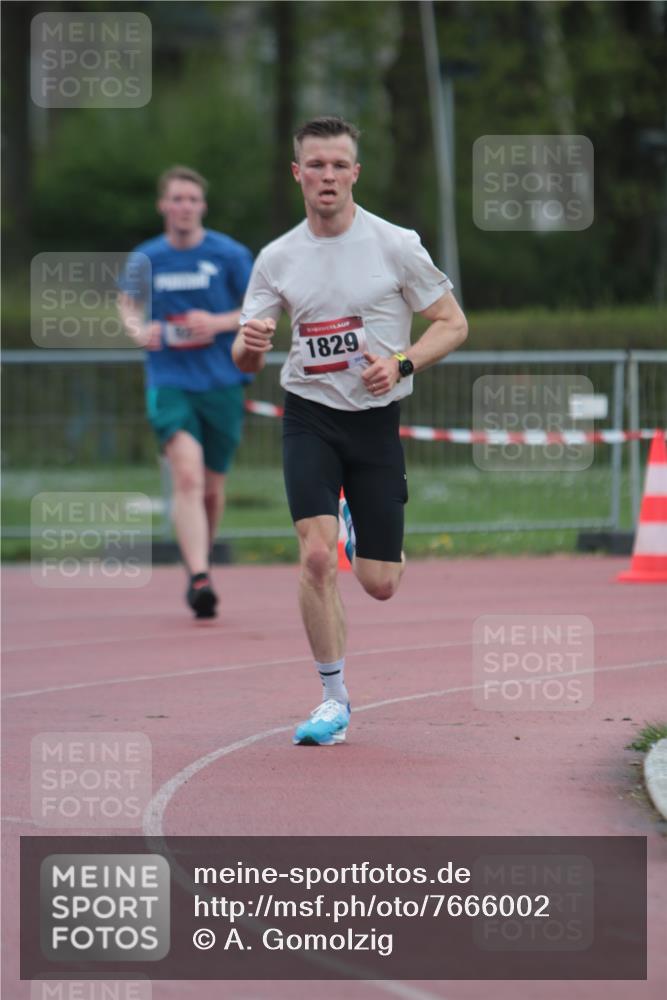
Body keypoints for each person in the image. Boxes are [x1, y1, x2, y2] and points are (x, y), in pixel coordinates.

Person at [233, 116, 468, 745]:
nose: (328, 176)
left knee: (379, 584)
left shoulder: (395, 243)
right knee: (315, 556)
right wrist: (251, 345)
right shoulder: (277, 257)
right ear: (298, 173)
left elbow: (452, 322)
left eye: (339, 164)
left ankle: (363, 525)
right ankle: (332, 700)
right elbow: (247, 357)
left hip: (373, 426)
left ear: (355, 172)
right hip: (308, 416)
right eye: (316, 165)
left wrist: (400, 364)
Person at [118, 166, 253, 618]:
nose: (184, 207)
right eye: (176, 199)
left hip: (221, 382)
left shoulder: (229, 254)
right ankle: (198, 578)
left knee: (212, 488)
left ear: (203, 206)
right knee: (188, 477)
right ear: (163, 205)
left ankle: (202, 560)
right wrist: (138, 331)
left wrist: (213, 323)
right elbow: (127, 306)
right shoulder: (146, 257)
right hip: (169, 381)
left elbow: (258, 309)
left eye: (192, 199)